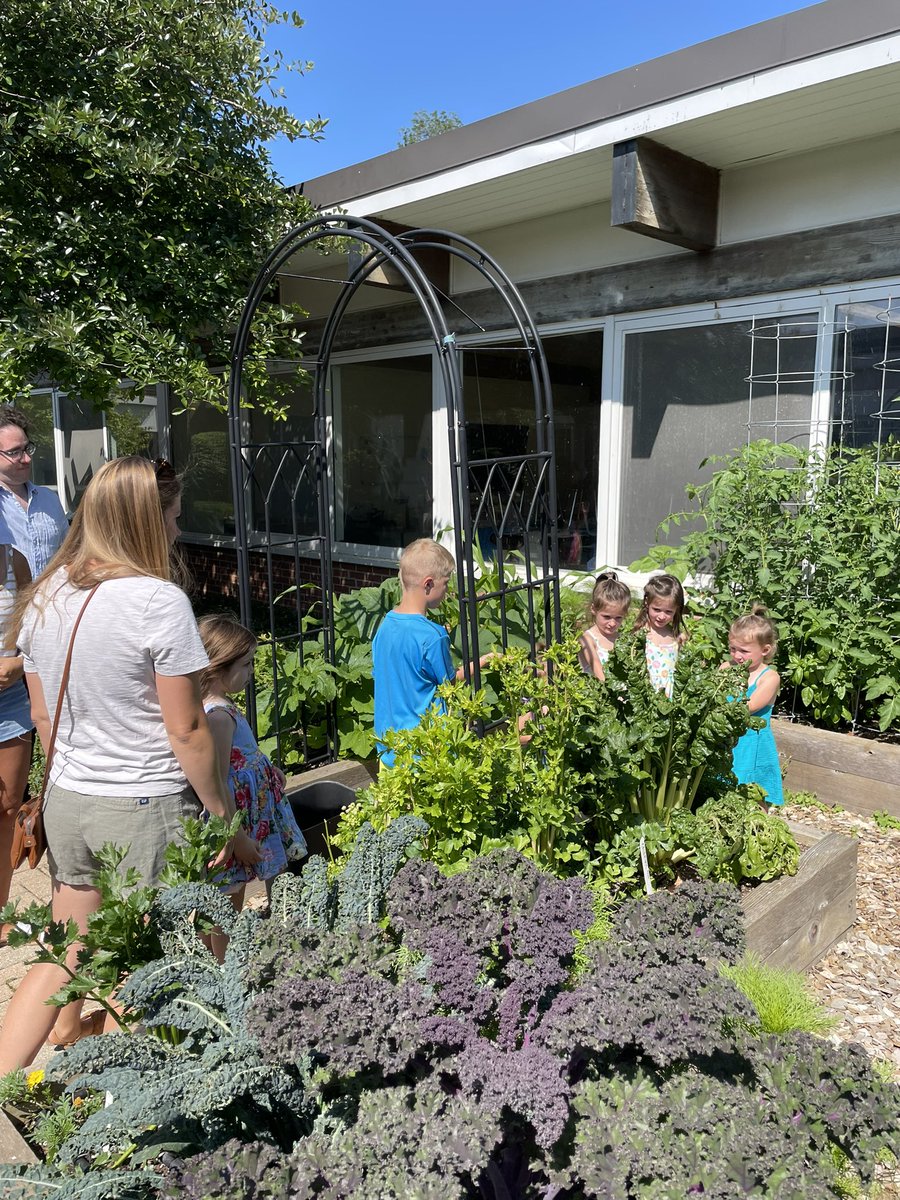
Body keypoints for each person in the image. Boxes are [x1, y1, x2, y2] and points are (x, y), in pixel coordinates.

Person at [0, 456, 261, 1072]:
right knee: (164, 963)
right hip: (145, 806)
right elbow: (188, 727)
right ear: (144, 519)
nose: (176, 531)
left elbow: (43, 720)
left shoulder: (46, 594)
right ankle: (149, 1104)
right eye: (171, 516)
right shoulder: (156, 601)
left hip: (68, 799)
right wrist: (225, 819)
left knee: (61, 956)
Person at [198, 614, 307, 956]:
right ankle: (223, 963)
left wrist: (267, 770)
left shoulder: (223, 707)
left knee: (232, 892)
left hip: (251, 814)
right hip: (237, 822)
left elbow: (240, 760)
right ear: (217, 667)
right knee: (226, 900)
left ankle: (228, 955)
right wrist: (236, 838)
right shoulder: (217, 716)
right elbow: (217, 778)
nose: (251, 672)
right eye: (246, 664)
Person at [372, 538, 492, 767]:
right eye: (446, 583)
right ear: (428, 584)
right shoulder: (433, 636)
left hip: (389, 750)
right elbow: (448, 683)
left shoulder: (385, 625)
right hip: (425, 753)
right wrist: (484, 661)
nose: (447, 590)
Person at [0, 537, 34, 928]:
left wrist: (20, 664)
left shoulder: (14, 560)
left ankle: (2, 913)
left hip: (10, 703)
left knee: (8, 809)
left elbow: (34, 629)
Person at [0, 407, 69, 578]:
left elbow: (67, 554)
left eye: (27, 448)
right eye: (14, 452)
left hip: (49, 601)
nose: (27, 459)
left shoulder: (49, 500)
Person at [727, 606, 784, 807]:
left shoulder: (769, 678)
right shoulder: (726, 668)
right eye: (732, 649)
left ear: (765, 650)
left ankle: (758, 830)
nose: (737, 655)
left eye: (743, 651)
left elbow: (749, 706)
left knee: (755, 793)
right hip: (727, 739)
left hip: (752, 744)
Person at [633, 573, 687, 698]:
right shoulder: (640, 635)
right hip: (644, 695)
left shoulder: (678, 638)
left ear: (677, 609)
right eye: (657, 609)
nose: (662, 616)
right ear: (647, 603)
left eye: (668, 612)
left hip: (669, 697)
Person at [578, 571, 632, 680]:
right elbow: (599, 673)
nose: (612, 623)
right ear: (593, 609)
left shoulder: (621, 639)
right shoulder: (588, 639)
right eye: (606, 617)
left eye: (618, 618)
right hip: (597, 694)